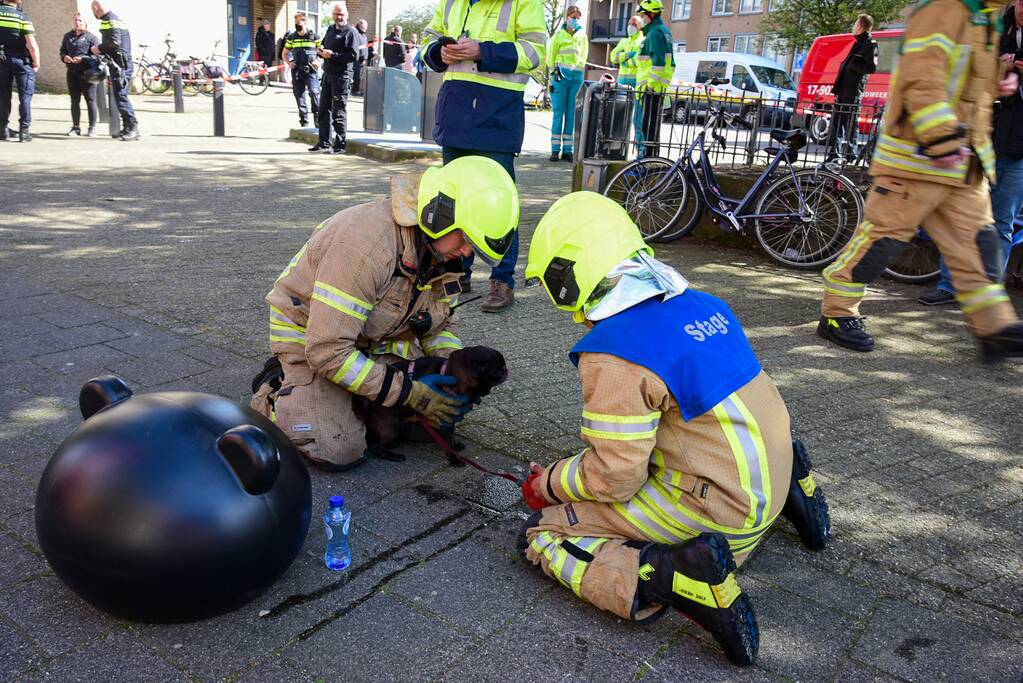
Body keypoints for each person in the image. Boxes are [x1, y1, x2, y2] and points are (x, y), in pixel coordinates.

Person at [519, 191, 832, 667]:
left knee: (544, 534)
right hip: (770, 466)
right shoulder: (704, 303)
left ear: (569, 276)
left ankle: (674, 573)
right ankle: (796, 488)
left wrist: (549, 484)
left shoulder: (617, 352)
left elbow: (617, 477)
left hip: (728, 517)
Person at [249, 156, 519, 471]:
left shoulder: (441, 251)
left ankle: (352, 401)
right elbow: (328, 349)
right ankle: (277, 391)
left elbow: (441, 326)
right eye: (467, 239)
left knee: (420, 428)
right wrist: (410, 394)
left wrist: (455, 374)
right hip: (316, 344)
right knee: (340, 448)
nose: (468, 252)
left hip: (375, 343)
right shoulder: (363, 246)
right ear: (439, 213)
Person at [817, 0, 1023, 363]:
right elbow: (920, 79)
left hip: (963, 165)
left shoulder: (984, 18)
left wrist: (999, 81)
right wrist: (943, 138)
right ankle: (837, 313)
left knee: (980, 248)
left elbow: (964, 83)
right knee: (879, 243)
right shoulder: (944, 9)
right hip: (917, 162)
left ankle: (995, 328)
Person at [421, 0, 546, 312]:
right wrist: (438, 52)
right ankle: (455, 274)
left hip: (496, 117)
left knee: (501, 205)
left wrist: (482, 51)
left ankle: (502, 281)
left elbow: (535, 53)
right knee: (450, 203)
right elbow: (425, 42)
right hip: (455, 116)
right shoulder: (452, 2)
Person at [919, 1, 1023, 306]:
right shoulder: (993, 29)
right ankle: (950, 286)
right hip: (980, 143)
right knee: (960, 219)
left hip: (1018, 151)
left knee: (1002, 223)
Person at [825, 14, 877, 163]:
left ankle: (850, 154)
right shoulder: (857, 43)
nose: (853, 26)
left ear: (860, 26)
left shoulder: (870, 44)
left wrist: (853, 66)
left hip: (853, 90)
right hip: (843, 89)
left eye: (855, 24)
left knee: (850, 123)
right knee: (837, 122)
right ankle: (835, 154)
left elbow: (871, 67)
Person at [309, 2, 358, 154]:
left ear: (347, 15)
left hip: (341, 77)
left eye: (342, 14)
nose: (339, 17)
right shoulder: (330, 29)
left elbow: (353, 55)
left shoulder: (350, 32)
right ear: (333, 15)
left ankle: (340, 144)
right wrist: (320, 53)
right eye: (337, 14)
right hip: (328, 74)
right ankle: (324, 142)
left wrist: (334, 55)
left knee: (338, 112)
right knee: (323, 109)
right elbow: (323, 45)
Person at [89, 1, 138, 141]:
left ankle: (133, 128)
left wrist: (98, 48)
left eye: (93, 9)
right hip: (120, 63)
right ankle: (128, 127)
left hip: (121, 65)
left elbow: (114, 43)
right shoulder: (114, 19)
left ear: (96, 8)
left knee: (121, 96)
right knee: (119, 96)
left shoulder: (110, 20)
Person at [546, 6, 587, 162]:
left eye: (578, 17)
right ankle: (555, 150)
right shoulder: (558, 36)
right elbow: (550, 57)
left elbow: (583, 57)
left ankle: (568, 151)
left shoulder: (582, 36)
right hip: (560, 78)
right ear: (567, 17)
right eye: (573, 16)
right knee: (558, 114)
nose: (575, 19)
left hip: (576, 79)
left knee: (571, 115)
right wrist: (551, 77)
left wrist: (579, 74)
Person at [634, 0, 672, 159]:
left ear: (652, 14)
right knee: (652, 127)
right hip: (657, 87)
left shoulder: (655, 33)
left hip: (652, 88)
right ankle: (652, 158)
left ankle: (649, 160)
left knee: (648, 127)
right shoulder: (662, 31)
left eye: (643, 15)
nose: (642, 18)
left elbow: (658, 63)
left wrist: (650, 85)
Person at [0, 0, 39, 142]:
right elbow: (32, 45)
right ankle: (24, 131)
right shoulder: (23, 17)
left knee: (3, 96)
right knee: (25, 96)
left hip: (1, 61)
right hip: (21, 61)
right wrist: (36, 63)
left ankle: (3, 130)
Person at [60, 12, 100, 137]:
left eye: (80, 21)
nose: (78, 23)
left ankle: (92, 127)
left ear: (85, 23)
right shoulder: (67, 36)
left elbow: (98, 56)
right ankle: (76, 127)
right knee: (74, 101)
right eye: (76, 20)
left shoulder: (91, 38)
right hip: (72, 72)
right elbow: (62, 51)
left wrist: (83, 59)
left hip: (87, 73)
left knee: (90, 100)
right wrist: (64, 57)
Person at [282, 12, 320, 129]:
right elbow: (285, 53)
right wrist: (289, 63)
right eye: (296, 22)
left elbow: (322, 52)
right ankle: (304, 123)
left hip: (311, 70)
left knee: (314, 93)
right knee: (299, 96)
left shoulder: (314, 37)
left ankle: (318, 122)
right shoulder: (291, 37)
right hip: (297, 70)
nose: (297, 25)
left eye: (299, 22)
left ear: (305, 22)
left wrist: (319, 61)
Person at [609, 16, 642, 88]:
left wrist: (623, 62)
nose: (630, 26)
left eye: (634, 24)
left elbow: (639, 60)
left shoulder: (643, 41)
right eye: (629, 24)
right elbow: (613, 57)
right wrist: (628, 55)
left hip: (636, 81)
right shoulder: (624, 41)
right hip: (621, 81)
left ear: (641, 26)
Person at [352, 19, 369, 95]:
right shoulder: (356, 33)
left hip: (362, 60)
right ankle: (354, 90)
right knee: (356, 75)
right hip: (356, 59)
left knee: (359, 76)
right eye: (365, 26)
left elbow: (365, 47)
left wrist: (365, 57)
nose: (366, 28)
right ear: (360, 25)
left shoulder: (364, 36)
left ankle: (356, 89)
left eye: (367, 26)